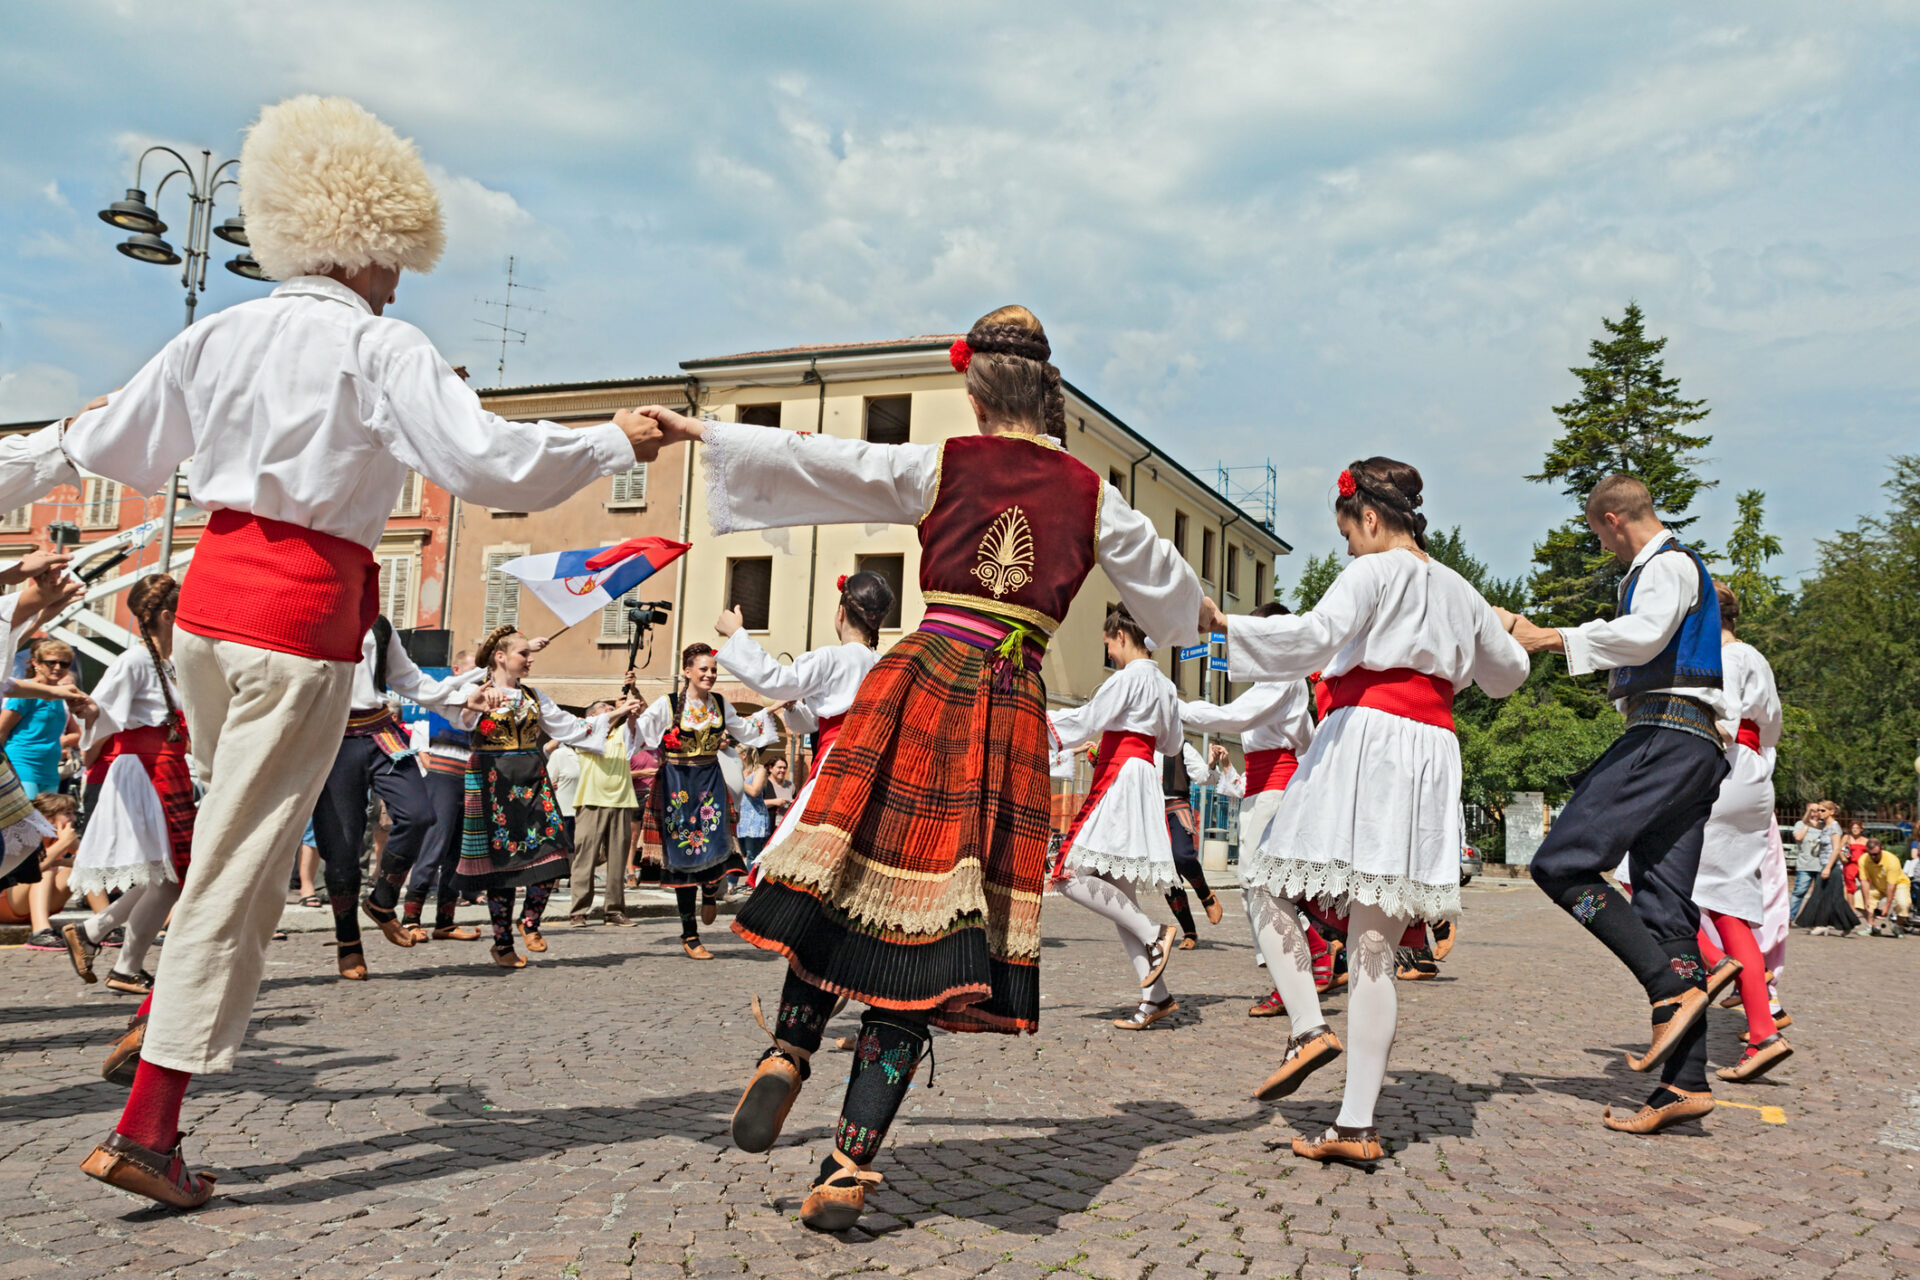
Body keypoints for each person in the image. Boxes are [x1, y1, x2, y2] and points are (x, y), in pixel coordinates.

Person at [50, 95, 665, 1210]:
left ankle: (160, 1009)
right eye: (398, 261)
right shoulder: (381, 345)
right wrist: (611, 438)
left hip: (204, 614)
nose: (401, 281)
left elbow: (109, 442)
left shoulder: (218, 332)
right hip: (298, 621)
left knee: (223, 835)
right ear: (374, 245)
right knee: (240, 867)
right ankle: (149, 1123)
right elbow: (490, 463)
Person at [644, 304, 1200, 1231]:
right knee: (940, 925)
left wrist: (703, 427)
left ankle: (788, 1048)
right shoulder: (1098, 499)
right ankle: (847, 1165)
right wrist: (1232, 631)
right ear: (1048, 398)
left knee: (845, 872)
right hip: (1007, 699)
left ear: (976, 392)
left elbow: (823, 461)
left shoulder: (941, 463)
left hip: (920, 671)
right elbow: (1179, 599)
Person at [1209, 456, 1528, 1164]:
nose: (1347, 545)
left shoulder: (1372, 572)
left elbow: (1310, 640)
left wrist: (1225, 623)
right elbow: (1509, 675)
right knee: (1376, 941)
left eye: (1348, 531)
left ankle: (1306, 1026)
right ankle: (1355, 1124)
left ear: (1372, 519)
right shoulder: (1461, 590)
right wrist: (1475, 638)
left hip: (1366, 738)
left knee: (1265, 882)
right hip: (1430, 746)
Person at [1503, 474, 1731, 1136]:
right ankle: (1684, 1083)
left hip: (1664, 732)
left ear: (1610, 520)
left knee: (1561, 864)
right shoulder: (1670, 567)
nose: (1599, 543)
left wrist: (1545, 637)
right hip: (1691, 744)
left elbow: (1644, 636)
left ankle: (1670, 988)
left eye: (1596, 531)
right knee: (1664, 909)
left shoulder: (1664, 566)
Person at [311, 616, 491, 979]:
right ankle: (348, 942)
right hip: (329, 734)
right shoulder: (310, 612)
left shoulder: (377, 622)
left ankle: (382, 901)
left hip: (379, 728)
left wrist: (461, 698)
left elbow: (408, 679)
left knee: (419, 814)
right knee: (342, 850)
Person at [454, 626, 634, 968]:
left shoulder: (535, 697)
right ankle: (502, 944)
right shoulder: (474, 691)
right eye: (524, 654)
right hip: (493, 781)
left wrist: (614, 714)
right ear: (501, 657)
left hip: (533, 779)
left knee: (555, 853)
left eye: (530, 653)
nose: (530, 659)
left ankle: (530, 920)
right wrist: (474, 704)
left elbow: (571, 728)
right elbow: (460, 721)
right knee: (501, 868)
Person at [1046, 607, 1187, 1029]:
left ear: (1122, 635)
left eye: (1108, 641)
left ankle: (1154, 934)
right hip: (1143, 774)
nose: (1108, 649)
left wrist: (1040, 721)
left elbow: (1088, 719)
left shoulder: (1126, 679)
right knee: (1121, 892)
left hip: (1120, 775)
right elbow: (1173, 739)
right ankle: (1155, 997)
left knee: (1066, 874)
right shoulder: (1165, 685)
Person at [58, 575, 198, 997]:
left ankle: (98, 938)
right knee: (172, 876)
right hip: (144, 770)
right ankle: (120, 960)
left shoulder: (170, 662)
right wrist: (86, 717)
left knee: (165, 875)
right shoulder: (135, 661)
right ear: (169, 615)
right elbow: (102, 709)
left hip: (166, 767)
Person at [714, 570, 894, 872]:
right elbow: (811, 722)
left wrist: (736, 635)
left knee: (797, 860)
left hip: (834, 767)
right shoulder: (883, 664)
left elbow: (776, 680)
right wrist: (796, 708)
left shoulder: (831, 658)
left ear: (840, 613)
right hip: (870, 770)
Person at [1686, 582, 1792, 1083]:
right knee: (1730, 906)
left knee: (1637, 870)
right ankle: (1762, 1030)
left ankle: (1714, 964)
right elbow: (1769, 726)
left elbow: (1721, 716)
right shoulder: (1759, 658)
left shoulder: (1719, 658)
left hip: (1718, 768)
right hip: (1754, 776)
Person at [630, 643, 778, 958]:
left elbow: (748, 729)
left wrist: (775, 709)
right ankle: (690, 934)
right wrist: (628, 713)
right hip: (676, 787)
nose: (710, 674)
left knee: (716, 846)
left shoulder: (721, 705)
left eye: (713, 670)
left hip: (710, 782)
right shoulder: (668, 705)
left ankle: (710, 891)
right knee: (683, 858)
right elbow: (641, 733)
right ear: (687, 672)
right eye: (704, 669)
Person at [565, 697, 640, 928]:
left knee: (617, 861)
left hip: (621, 802)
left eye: (611, 708)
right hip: (591, 801)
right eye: (604, 709)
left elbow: (636, 721)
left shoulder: (622, 734)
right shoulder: (584, 734)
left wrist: (631, 698)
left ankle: (614, 911)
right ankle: (578, 911)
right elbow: (597, 726)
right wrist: (617, 711)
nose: (611, 710)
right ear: (591, 716)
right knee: (585, 858)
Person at [3, 792, 86, 947]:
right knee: (42, 870)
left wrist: (73, 847)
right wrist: (63, 844)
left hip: (36, 904)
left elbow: (90, 863)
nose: (73, 819)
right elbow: (31, 869)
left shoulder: (60, 836)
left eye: (73, 813)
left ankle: (105, 924)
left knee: (83, 869)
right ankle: (40, 932)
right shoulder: (27, 836)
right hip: (7, 904)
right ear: (47, 818)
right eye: (67, 813)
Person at [1, 639, 80, 797]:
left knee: (46, 820)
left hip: (51, 770)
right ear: (35, 663)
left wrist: (63, 741)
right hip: (21, 766)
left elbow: (77, 732)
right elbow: (2, 730)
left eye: (64, 664)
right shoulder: (25, 691)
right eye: (51, 662)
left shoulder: (62, 694)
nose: (58, 668)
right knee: (25, 819)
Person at [1788, 803, 1838, 926]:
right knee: (1799, 891)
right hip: (1805, 865)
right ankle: (1789, 918)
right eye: (1813, 810)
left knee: (1820, 894)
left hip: (1821, 865)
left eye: (1818, 810)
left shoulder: (1824, 826)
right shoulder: (1800, 824)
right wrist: (1807, 825)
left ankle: (1818, 920)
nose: (1816, 813)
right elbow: (1798, 837)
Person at [1859, 839, 1912, 932]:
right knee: (1858, 898)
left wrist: (1887, 906)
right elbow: (1864, 881)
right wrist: (1867, 901)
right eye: (1870, 854)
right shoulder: (1863, 859)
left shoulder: (1892, 860)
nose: (1872, 856)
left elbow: (1891, 885)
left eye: (1875, 854)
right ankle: (1872, 927)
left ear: (1881, 849)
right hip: (1877, 885)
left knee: (1904, 903)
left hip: (1898, 884)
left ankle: (1898, 926)